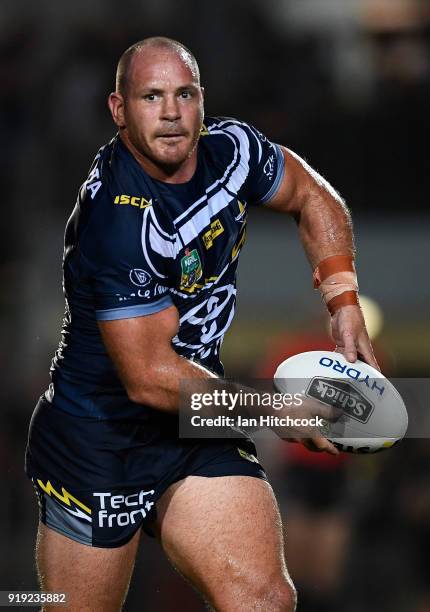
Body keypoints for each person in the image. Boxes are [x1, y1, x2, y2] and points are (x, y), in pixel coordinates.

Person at [25, 37, 379, 612]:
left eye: (184, 94)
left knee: (265, 600)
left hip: (192, 422)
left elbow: (313, 196)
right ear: (119, 111)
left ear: (201, 101)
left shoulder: (233, 150)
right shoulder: (117, 219)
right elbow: (149, 378)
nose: (170, 112)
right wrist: (277, 411)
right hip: (98, 439)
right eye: (151, 96)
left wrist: (343, 302)